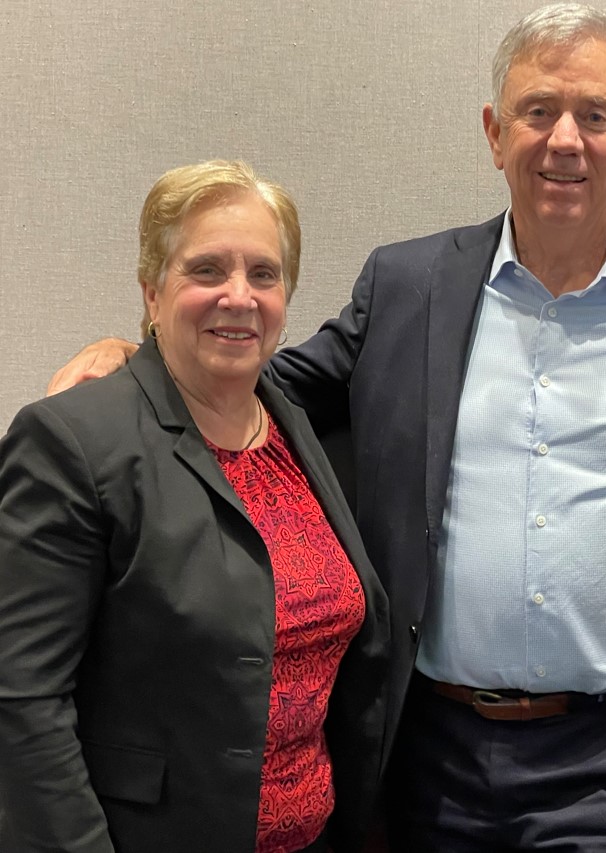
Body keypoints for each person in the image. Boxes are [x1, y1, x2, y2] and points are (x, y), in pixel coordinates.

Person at [46, 5, 606, 850]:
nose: (564, 139)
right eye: (537, 111)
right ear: (495, 134)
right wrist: (140, 352)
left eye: (594, 115)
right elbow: (258, 388)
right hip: (427, 753)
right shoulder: (406, 284)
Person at [0, 161, 390, 853]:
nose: (239, 296)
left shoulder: (294, 425)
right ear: (152, 292)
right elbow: (20, 698)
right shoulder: (75, 441)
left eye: (263, 274)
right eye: (206, 269)